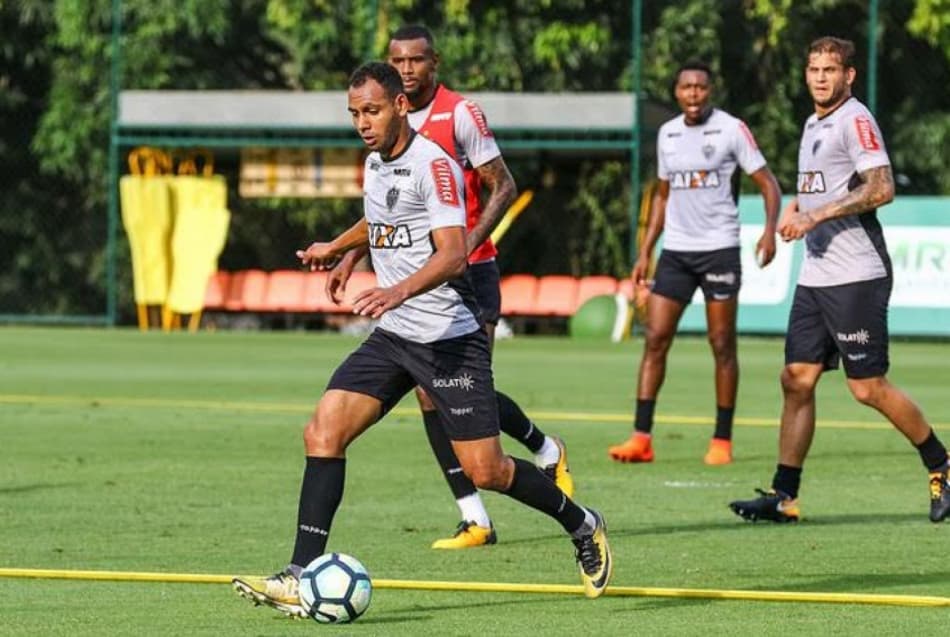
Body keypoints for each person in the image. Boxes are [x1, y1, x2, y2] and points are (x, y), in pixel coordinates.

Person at [232, 62, 612, 618]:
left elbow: (453, 253)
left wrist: (396, 291)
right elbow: (379, 218)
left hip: (447, 340)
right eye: (355, 113)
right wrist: (341, 250)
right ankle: (298, 572)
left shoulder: (434, 166)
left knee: (488, 471)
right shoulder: (374, 163)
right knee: (322, 430)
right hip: (394, 337)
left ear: (400, 106)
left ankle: (583, 523)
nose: (362, 122)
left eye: (373, 110)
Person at [329, 24, 573, 550]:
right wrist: (349, 253)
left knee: (457, 395)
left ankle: (542, 450)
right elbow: (385, 213)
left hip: (466, 271)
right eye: (397, 59)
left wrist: (468, 245)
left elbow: (502, 184)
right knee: (427, 395)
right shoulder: (382, 130)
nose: (406, 68)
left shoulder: (458, 113)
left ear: (433, 63)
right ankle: (475, 516)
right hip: (417, 281)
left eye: (415, 59)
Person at [729, 36, 950, 523]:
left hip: (857, 274)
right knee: (797, 379)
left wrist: (817, 217)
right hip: (816, 275)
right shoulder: (813, 122)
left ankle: (941, 464)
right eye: (813, 69)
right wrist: (794, 211)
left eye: (831, 69)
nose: (821, 77)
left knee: (867, 388)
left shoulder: (855, 119)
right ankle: (784, 497)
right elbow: (819, 187)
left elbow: (881, 187)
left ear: (849, 75)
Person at [608, 61, 781, 466]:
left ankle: (722, 439)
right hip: (677, 253)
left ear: (710, 90)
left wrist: (769, 230)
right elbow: (663, 197)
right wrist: (646, 251)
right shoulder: (667, 134)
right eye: (686, 87)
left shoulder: (731, 129)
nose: (693, 94)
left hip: (719, 248)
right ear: (676, 91)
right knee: (655, 338)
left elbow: (768, 183)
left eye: (700, 87)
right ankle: (641, 437)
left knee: (721, 344)